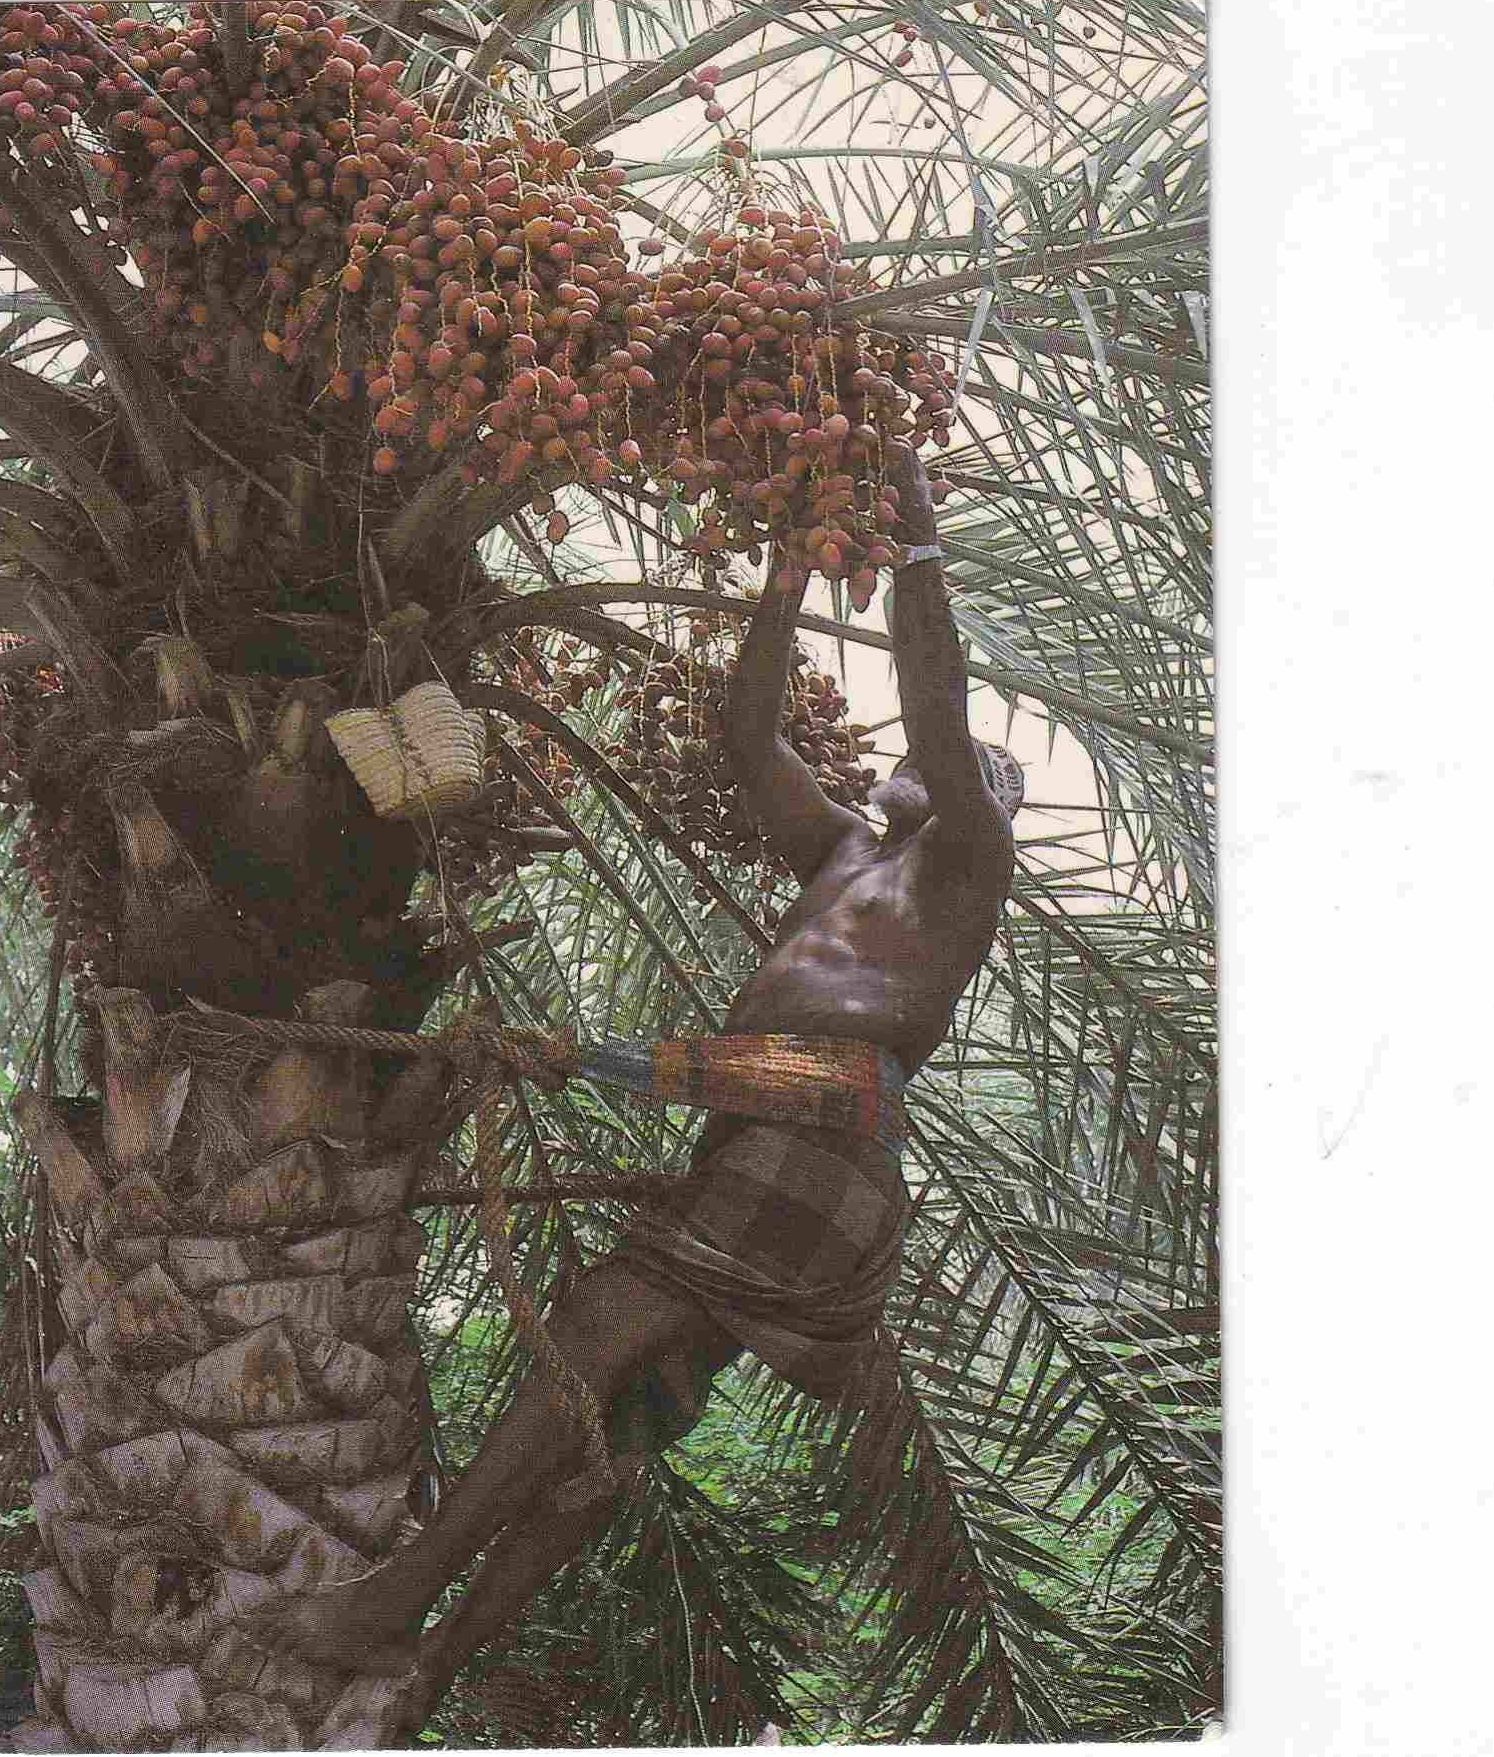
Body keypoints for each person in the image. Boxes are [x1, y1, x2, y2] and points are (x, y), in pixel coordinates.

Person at [265, 446, 1023, 1710]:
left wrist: (916, 538)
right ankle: (431, 1665)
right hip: (776, 1135)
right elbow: (746, 734)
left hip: (814, 1128)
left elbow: (940, 709)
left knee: (595, 1328)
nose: (937, 758)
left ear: (980, 797)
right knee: (614, 1418)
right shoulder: (843, 851)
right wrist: (787, 565)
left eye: (972, 765)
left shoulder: (968, 863)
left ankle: (390, 1602)